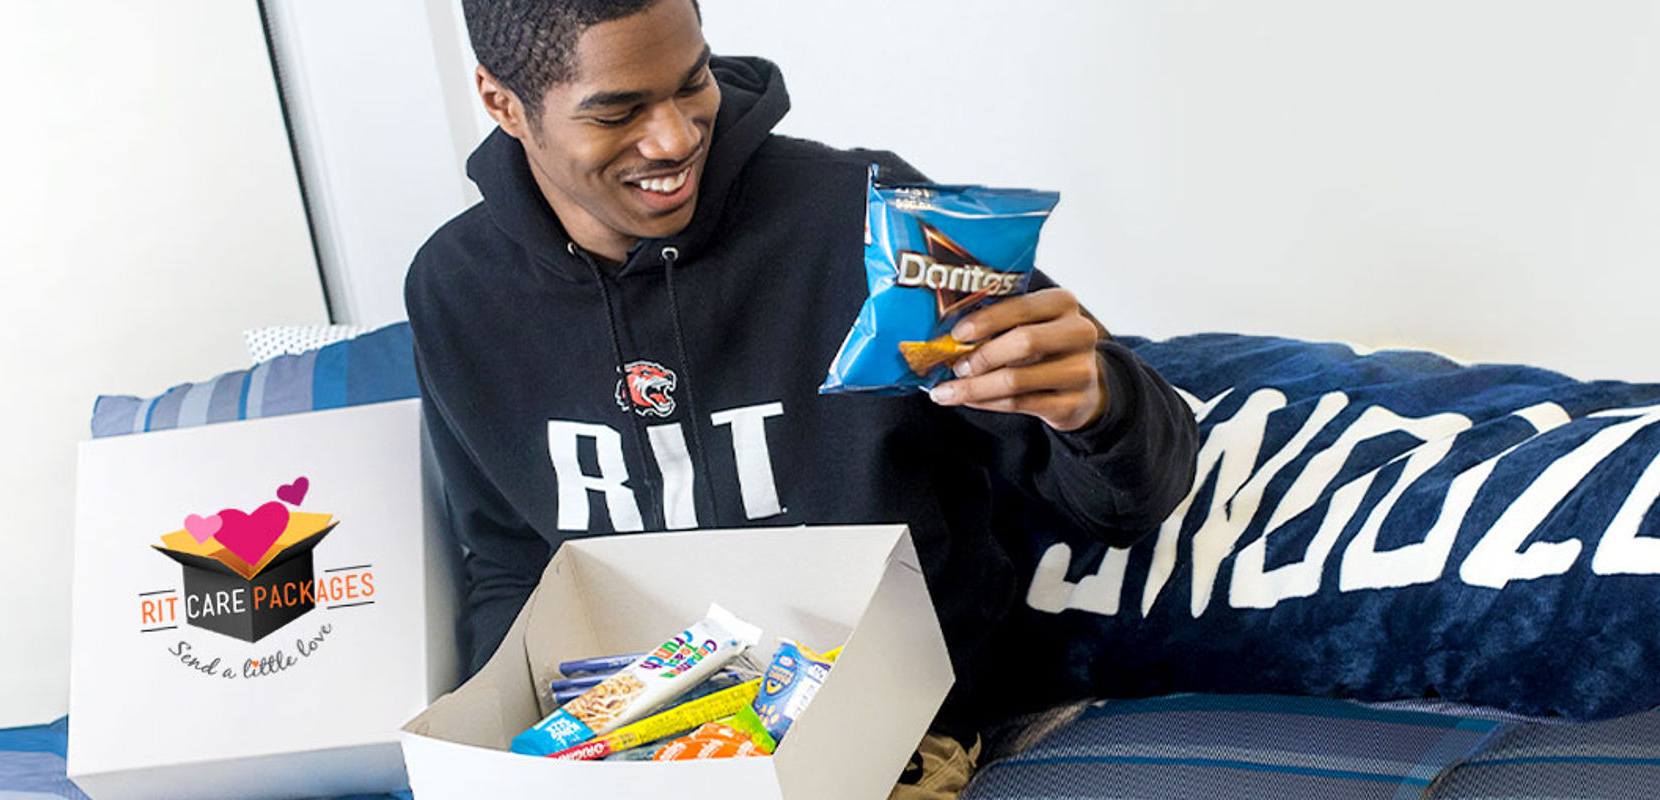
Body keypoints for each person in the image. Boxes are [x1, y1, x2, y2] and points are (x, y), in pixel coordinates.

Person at [406, 0, 1197, 793]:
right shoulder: (455, 293)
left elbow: (1130, 501)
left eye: (693, 84)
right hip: (626, 758)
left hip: (896, 736)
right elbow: (508, 561)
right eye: (618, 111)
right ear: (501, 101)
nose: (676, 137)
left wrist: (1100, 404)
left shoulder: (867, 224)